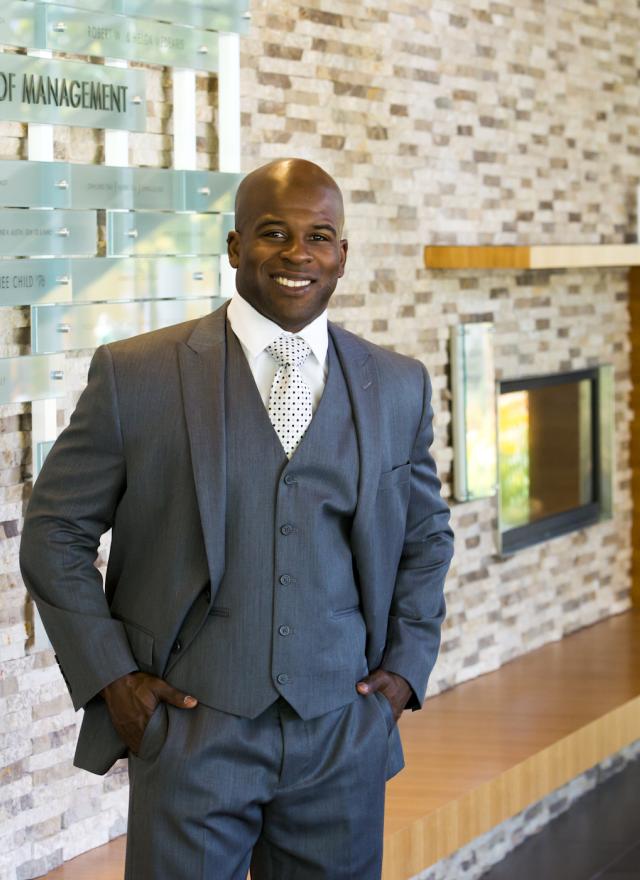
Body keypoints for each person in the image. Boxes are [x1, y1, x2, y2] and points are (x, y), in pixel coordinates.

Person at [19, 158, 454, 879]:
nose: (298, 254)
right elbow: (54, 533)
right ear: (234, 246)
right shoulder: (138, 375)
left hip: (342, 733)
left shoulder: (398, 385)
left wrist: (406, 671)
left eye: (319, 237)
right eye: (274, 233)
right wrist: (114, 680)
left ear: (343, 254)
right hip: (191, 734)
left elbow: (426, 536)